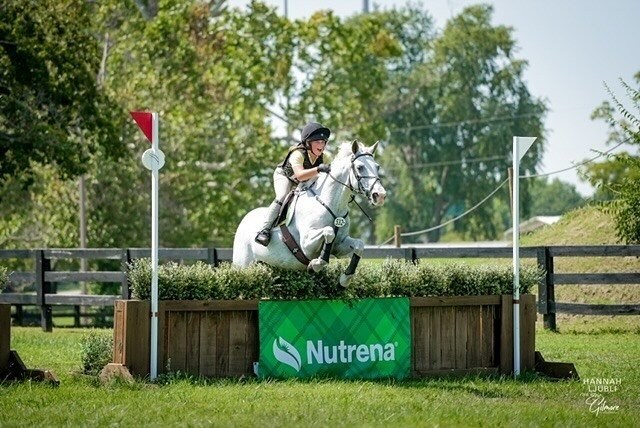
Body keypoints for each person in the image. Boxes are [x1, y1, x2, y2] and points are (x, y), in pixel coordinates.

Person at [255, 122, 332, 247]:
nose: (321, 145)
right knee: (282, 196)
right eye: (317, 142)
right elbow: (300, 175)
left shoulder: (324, 157)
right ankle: (264, 230)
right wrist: (318, 169)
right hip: (285, 176)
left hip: (303, 181)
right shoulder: (297, 154)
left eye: (323, 142)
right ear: (308, 143)